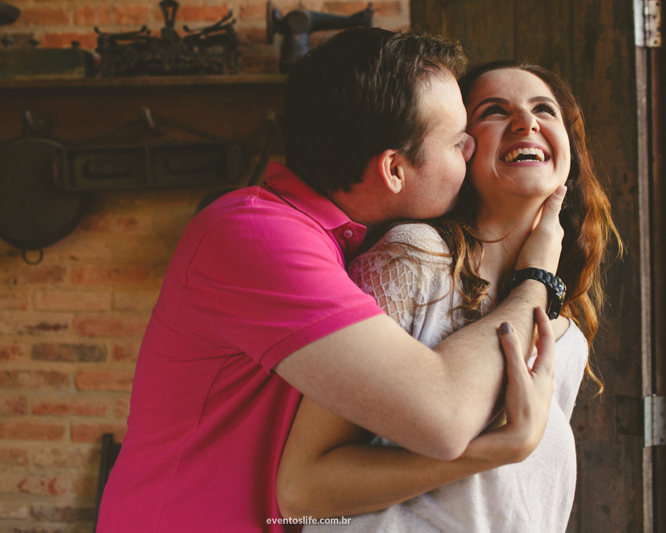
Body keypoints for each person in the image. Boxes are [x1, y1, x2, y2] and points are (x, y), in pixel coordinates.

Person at [96, 29, 566, 532]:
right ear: (394, 169)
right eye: (457, 141)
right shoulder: (258, 236)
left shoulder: (348, 242)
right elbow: (444, 417)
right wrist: (537, 280)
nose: (470, 149)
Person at [276, 61, 621, 532]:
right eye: (494, 111)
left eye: (545, 109)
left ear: (570, 154)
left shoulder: (568, 337)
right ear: (460, 149)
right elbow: (304, 492)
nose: (526, 121)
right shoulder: (413, 260)